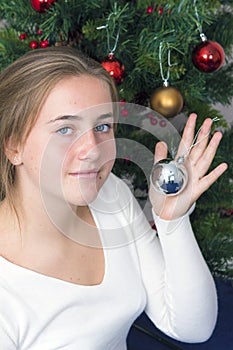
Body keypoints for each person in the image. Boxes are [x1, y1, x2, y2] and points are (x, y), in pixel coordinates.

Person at [0, 46, 227, 350]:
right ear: (13, 147)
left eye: (103, 126)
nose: (93, 149)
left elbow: (190, 327)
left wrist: (172, 220)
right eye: (65, 129)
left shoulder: (111, 195)